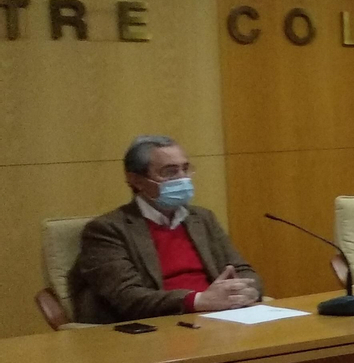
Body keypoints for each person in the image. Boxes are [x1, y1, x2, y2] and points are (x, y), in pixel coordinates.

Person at [70, 135, 262, 322]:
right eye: (170, 172)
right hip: (158, 327)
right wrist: (198, 301)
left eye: (185, 169)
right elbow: (128, 298)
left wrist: (246, 291)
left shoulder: (202, 218)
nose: (183, 178)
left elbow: (243, 270)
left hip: (220, 319)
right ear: (136, 180)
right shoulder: (106, 230)